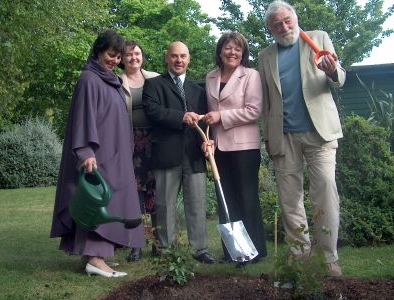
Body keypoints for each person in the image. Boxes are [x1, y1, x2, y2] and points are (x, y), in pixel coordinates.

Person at [258, 1, 345, 276]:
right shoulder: (265, 55)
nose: (284, 27)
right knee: (289, 199)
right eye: (277, 25)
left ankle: (329, 257)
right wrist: (269, 139)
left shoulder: (317, 38)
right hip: (284, 137)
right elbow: (266, 101)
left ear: (295, 19)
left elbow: (339, 78)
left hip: (320, 133)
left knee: (326, 192)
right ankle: (300, 255)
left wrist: (331, 70)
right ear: (270, 30)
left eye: (287, 21)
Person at [50, 30, 145, 278]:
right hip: (98, 155)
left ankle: (96, 257)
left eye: (117, 57)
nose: (114, 60)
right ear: (98, 51)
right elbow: (83, 118)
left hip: (115, 154)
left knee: (109, 202)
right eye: (109, 55)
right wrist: (86, 152)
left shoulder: (110, 79)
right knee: (99, 202)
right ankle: (94, 258)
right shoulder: (89, 79)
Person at [142, 41, 216, 264]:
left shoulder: (198, 89)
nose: (179, 60)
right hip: (166, 153)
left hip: (194, 155)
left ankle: (200, 249)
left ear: (189, 59)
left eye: (183, 56)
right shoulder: (154, 85)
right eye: (174, 56)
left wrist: (208, 141)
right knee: (165, 204)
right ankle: (165, 248)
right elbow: (152, 111)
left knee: (197, 203)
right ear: (167, 58)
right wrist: (180, 116)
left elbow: (205, 120)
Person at [203, 32, 267, 266]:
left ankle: (254, 252)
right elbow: (208, 113)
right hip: (218, 148)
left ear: (243, 53)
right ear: (220, 51)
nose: (232, 53)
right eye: (228, 48)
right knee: (226, 200)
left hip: (244, 148)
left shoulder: (251, 75)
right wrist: (208, 138)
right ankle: (233, 252)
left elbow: (253, 110)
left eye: (237, 49)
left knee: (247, 198)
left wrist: (222, 116)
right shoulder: (210, 76)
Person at [119, 41, 159, 262]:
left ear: (142, 55)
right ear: (122, 59)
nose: (133, 57)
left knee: (156, 193)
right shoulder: (117, 82)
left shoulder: (154, 78)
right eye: (128, 54)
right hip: (130, 144)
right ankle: (136, 244)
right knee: (135, 196)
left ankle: (157, 243)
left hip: (155, 144)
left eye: (137, 53)